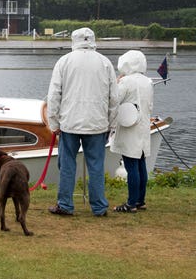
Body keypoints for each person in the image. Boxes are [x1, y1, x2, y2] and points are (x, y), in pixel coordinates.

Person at [46, 27, 118, 217]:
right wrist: (111, 123)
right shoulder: (105, 63)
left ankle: (65, 204)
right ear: (93, 40)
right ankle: (99, 207)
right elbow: (114, 98)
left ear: (74, 40)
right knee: (96, 166)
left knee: (67, 164)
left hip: (69, 122)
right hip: (97, 122)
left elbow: (54, 95)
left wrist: (54, 123)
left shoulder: (64, 61)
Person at [110, 50, 154, 213]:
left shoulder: (126, 82)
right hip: (142, 126)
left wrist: (116, 82)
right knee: (141, 163)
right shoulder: (147, 81)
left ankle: (131, 203)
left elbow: (114, 99)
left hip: (129, 127)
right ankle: (140, 200)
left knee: (131, 165)